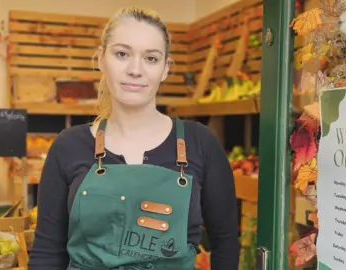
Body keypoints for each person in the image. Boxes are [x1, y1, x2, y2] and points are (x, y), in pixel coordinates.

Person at [28, 6, 239, 270]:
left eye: (151, 58)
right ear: (101, 59)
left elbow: (226, 244)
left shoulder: (201, 143)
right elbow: (47, 253)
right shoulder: (68, 146)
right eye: (122, 54)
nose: (135, 69)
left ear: (165, 69)